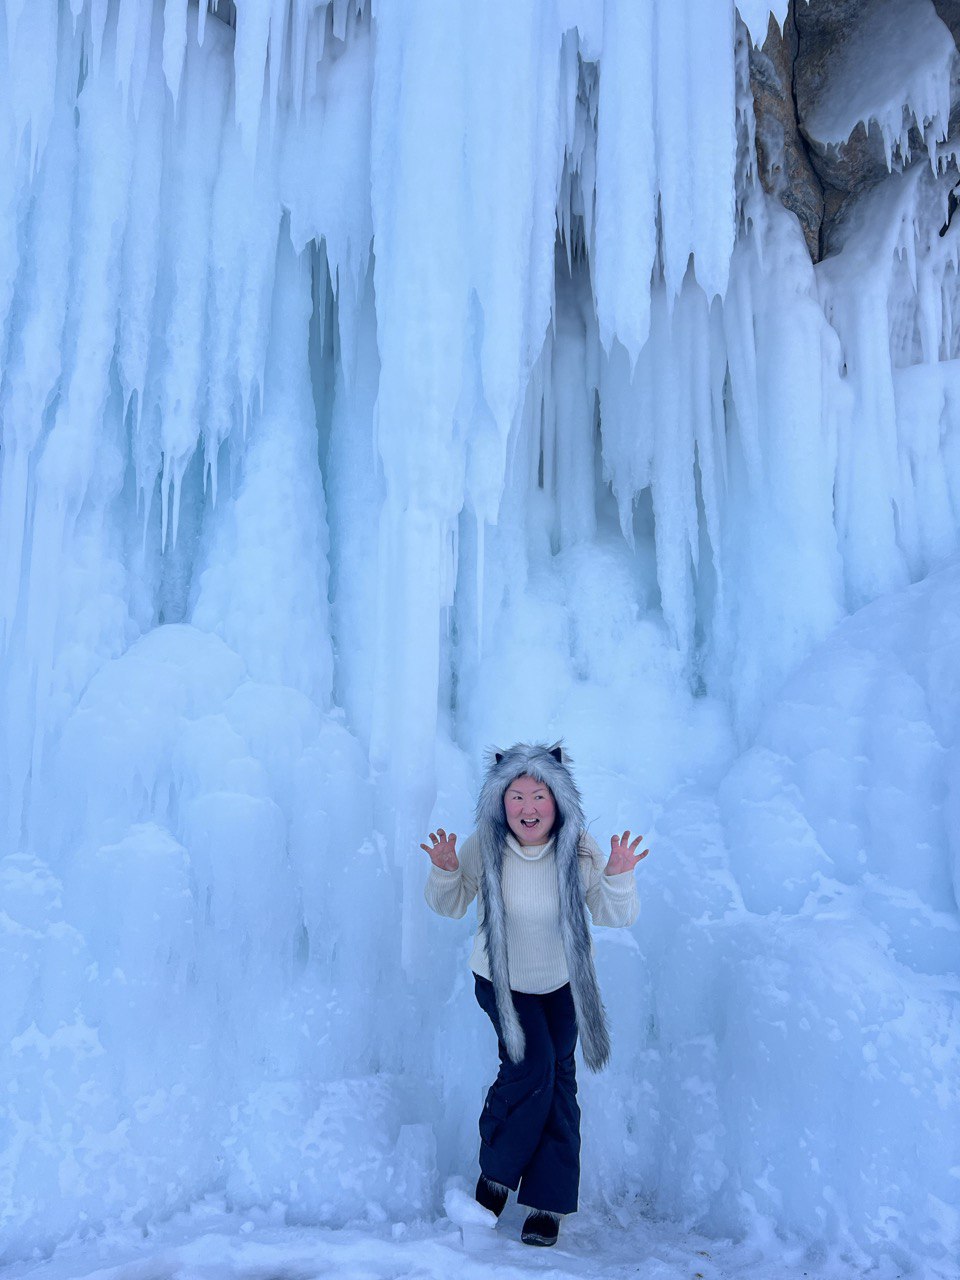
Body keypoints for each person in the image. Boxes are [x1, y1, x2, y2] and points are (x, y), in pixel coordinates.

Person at [421, 742, 648, 1247]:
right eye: (516, 796)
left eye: (539, 796)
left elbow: (616, 915)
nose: (528, 808)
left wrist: (618, 875)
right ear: (500, 801)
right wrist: (444, 868)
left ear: (558, 799)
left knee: (558, 1081)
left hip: (565, 985)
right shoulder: (486, 844)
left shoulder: (579, 846)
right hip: (501, 981)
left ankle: (547, 1203)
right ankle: (495, 1179)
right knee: (533, 1065)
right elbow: (452, 903)